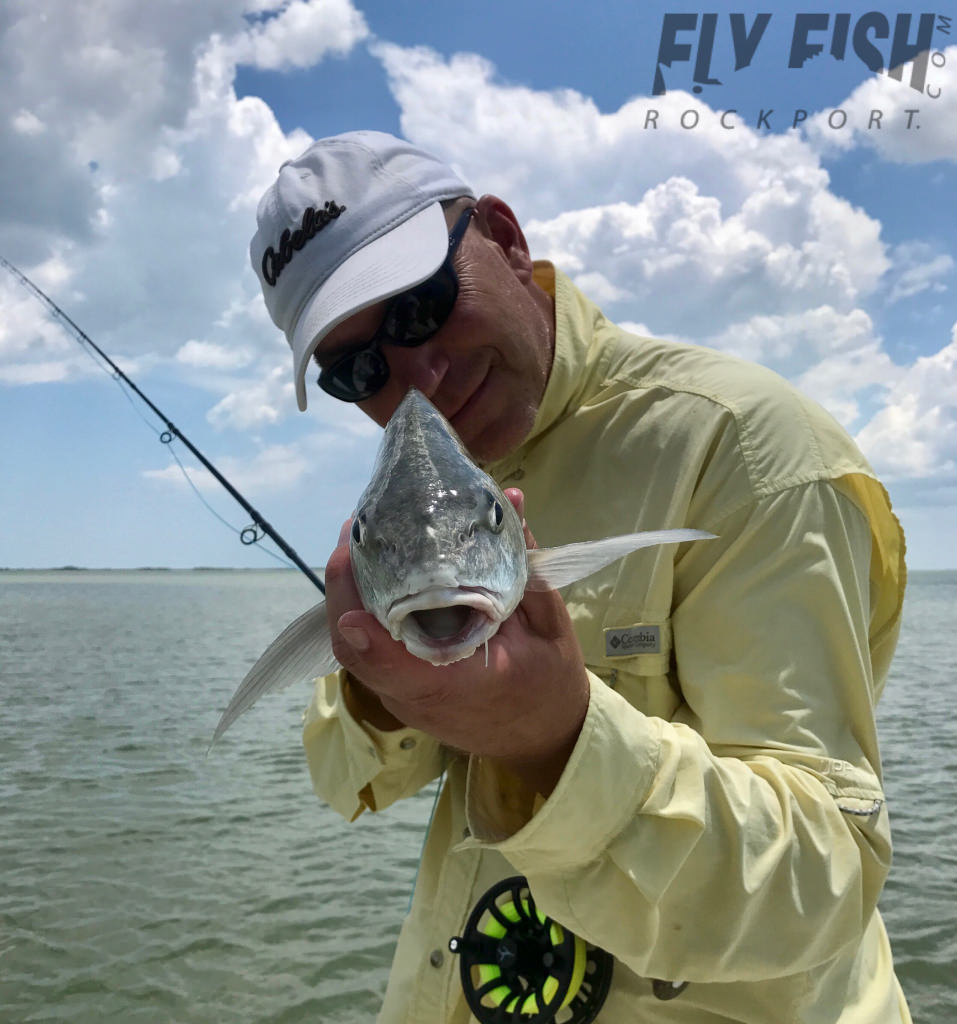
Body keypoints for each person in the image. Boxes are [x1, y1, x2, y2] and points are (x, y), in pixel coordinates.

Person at [249, 130, 912, 1022]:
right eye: (357, 368)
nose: (420, 379)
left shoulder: (744, 449)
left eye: (419, 307)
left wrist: (549, 737)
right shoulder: (422, 498)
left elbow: (823, 881)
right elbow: (340, 779)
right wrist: (381, 682)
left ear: (505, 239)